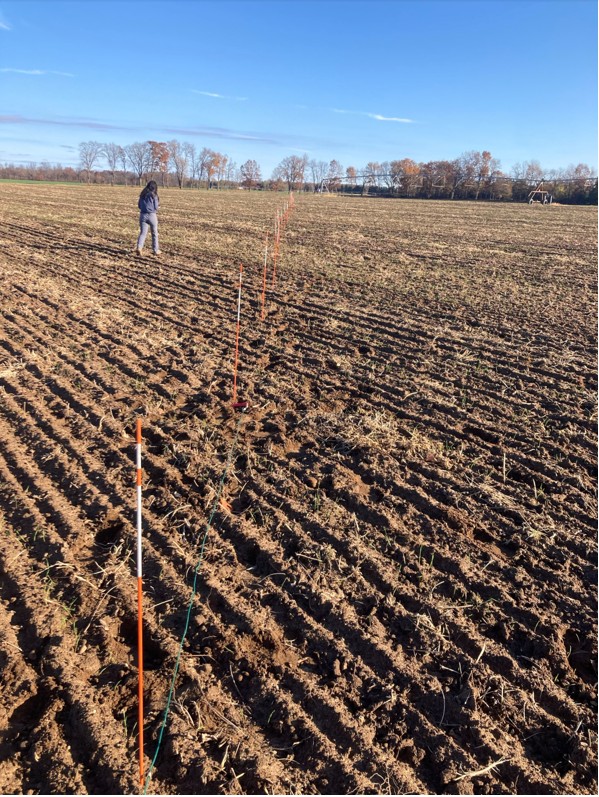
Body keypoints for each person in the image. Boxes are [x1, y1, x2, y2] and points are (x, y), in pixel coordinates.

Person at [136, 180, 160, 255]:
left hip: (142, 215)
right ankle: (155, 250)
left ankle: (139, 247)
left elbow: (139, 206)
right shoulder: (154, 195)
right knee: (154, 233)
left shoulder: (142, 195)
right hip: (152, 215)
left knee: (143, 233)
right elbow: (156, 207)